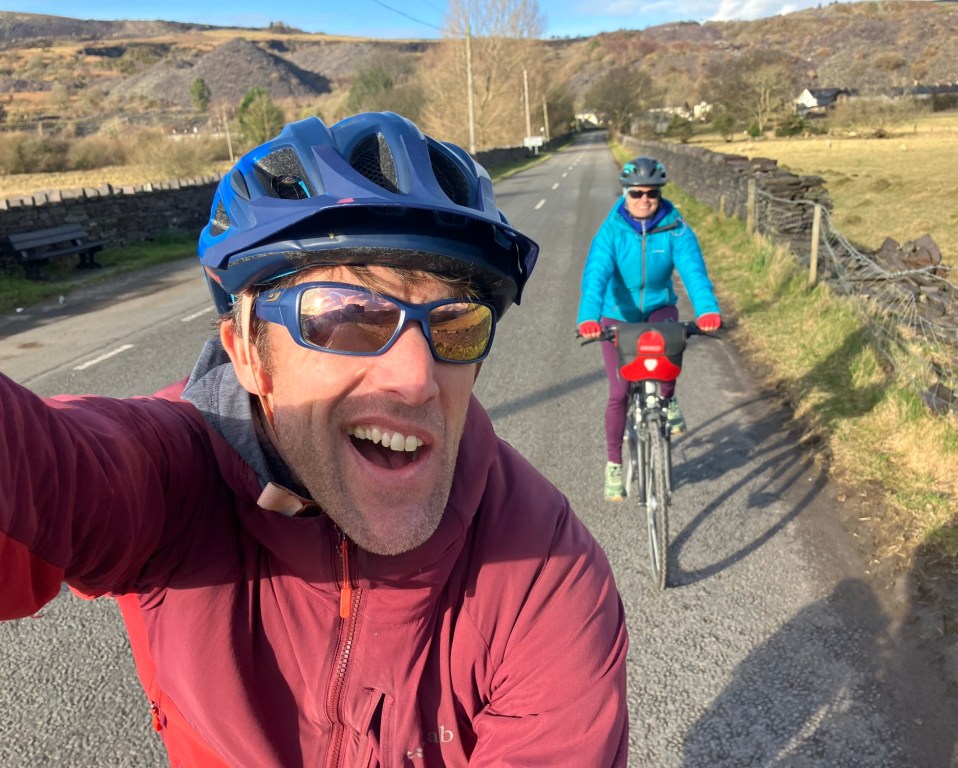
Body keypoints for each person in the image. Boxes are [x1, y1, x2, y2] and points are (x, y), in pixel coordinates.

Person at [0, 112, 628, 766]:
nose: (417, 379)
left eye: (455, 324)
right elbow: (40, 469)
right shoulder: (172, 477)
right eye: (347, 316)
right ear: (249, 354)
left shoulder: (546, 569)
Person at [577, 156, 721, 502]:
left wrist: (707, 310)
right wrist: (589, 317)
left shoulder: (676, 229)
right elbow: (595, 276)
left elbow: (694, 273)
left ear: (660, 194)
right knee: (619, 393)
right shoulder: (611, 231)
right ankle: (614, 463)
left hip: (658, 307)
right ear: (625, 193)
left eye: (652, 193)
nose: (644, 199)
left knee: (670, 355)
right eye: (637, 193)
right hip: (617, 315)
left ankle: (667, 400)